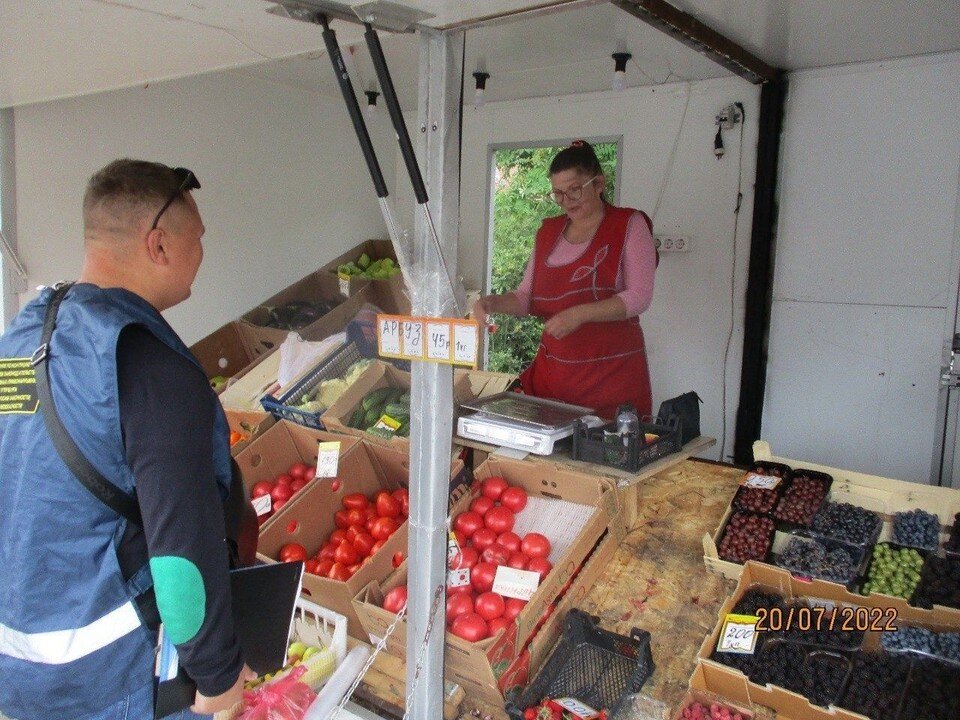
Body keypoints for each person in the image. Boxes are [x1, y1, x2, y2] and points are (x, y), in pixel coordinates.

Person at [0, 160, 255, 720]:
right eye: (199, 239)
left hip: (18, 667)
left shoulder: (21, 338)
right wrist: (216, 673)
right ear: (159, 245)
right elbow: (181, 550)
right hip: (107, 677)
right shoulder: (149, 366)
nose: (203, 253)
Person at [474, 140, 657, 418]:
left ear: (598, 184)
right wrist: (491, 303)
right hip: (554, 377)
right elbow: (526, 297)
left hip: (612, 380)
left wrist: (579, 314)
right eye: (557, 193)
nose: (565, 201)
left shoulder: (629, 224)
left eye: (574, 190)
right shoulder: (548, 232)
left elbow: (639, 295)